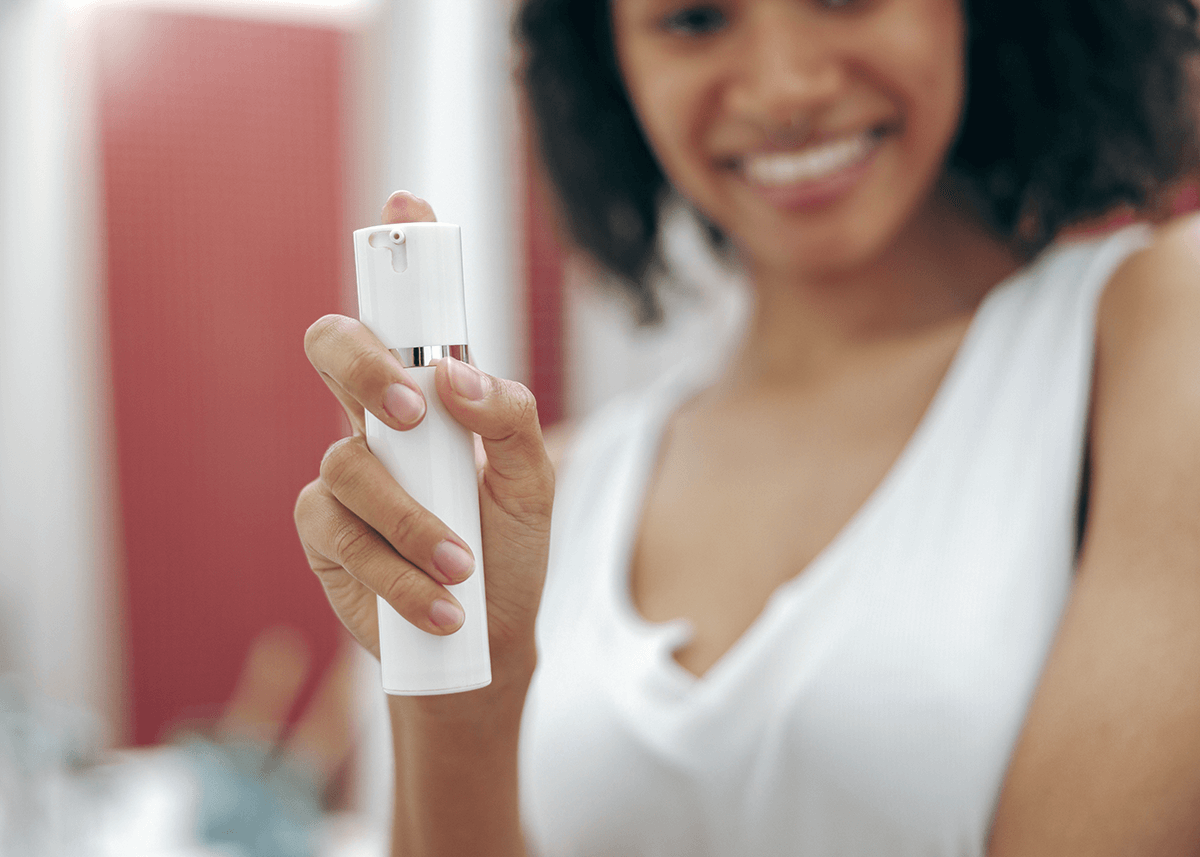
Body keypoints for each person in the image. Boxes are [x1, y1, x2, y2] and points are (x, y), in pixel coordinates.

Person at [294, 0, 1200, 854]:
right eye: (694, 18)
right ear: (610, 59)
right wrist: (458, 694)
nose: (783, 90)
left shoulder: (1158, 330)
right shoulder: (559, 487)